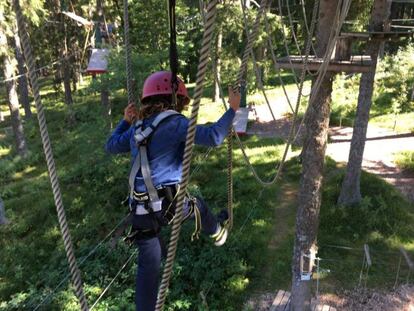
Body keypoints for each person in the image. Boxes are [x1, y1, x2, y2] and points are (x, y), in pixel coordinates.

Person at [105, 71, 240, 311]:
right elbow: (214, 137)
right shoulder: (176, 123)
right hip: (169, 207)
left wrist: (125, 121)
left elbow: (111, 146)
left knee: (148, 270)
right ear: (175, 100)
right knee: (197, 205)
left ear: (148, 100)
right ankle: (218, 232)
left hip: (140, 211)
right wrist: (232, 109)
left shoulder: (137, 127)